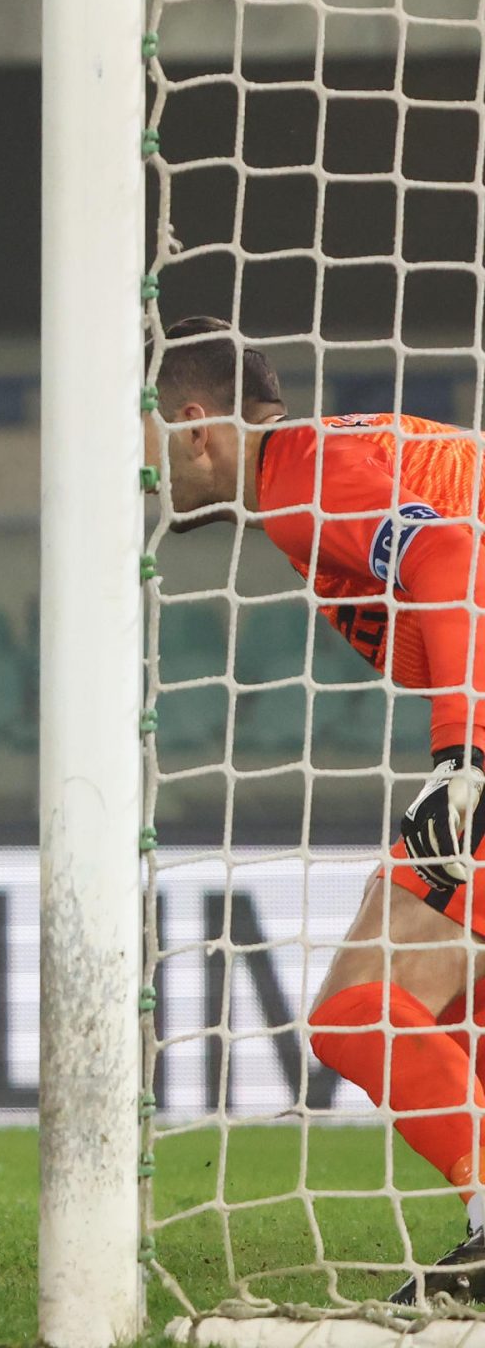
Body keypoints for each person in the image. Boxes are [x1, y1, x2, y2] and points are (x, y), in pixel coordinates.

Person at [150, 315, 485, 1303]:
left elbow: (447, 554)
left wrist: (458, 758)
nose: (147, 474)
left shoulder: (298, 484)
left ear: (196, 426)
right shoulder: (331, 456)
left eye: (148, 439)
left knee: (357, 1017)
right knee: (452, 1006)